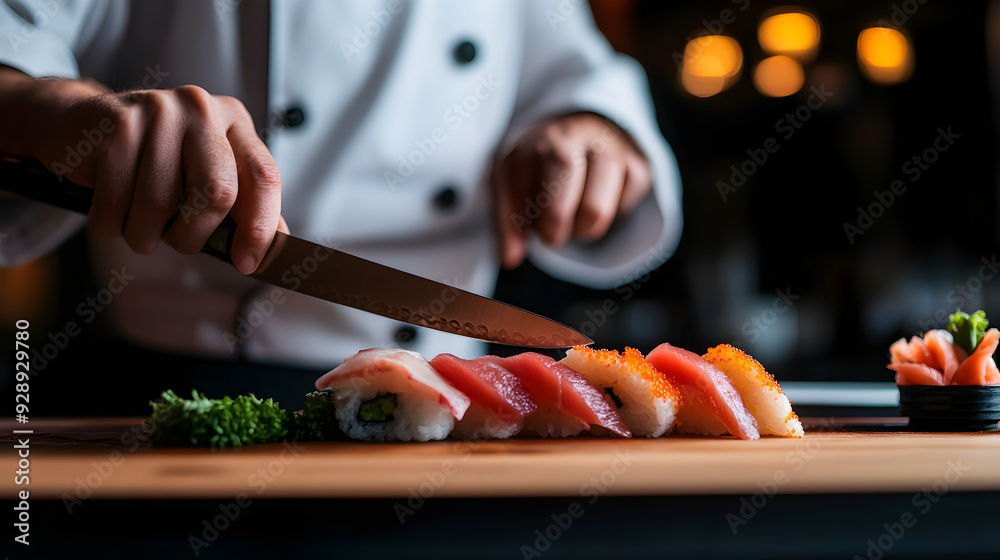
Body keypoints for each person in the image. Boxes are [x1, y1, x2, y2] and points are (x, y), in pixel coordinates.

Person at [0, 0, 682, 404]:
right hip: (189, 389)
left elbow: (576, 71)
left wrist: (594, 130)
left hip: (459, 389)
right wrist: (52, 109)